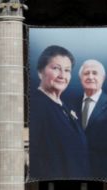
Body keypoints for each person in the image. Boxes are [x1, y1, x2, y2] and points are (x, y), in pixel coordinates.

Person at [29, 45, 90, 180]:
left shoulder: (65, 107)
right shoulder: (35, 105)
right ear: (40, 72)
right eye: (56, 68)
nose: (62, 75)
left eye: (67, 70)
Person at [75, 59, 107, 179]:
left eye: (95, 73)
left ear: (103, 77)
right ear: (80, 79)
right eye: (86, 73)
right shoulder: (70, 104)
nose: (90, 77)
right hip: (73, 170)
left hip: (102, 171)